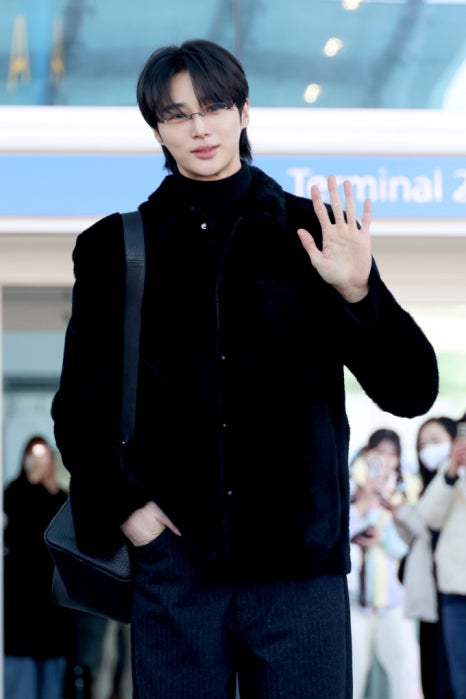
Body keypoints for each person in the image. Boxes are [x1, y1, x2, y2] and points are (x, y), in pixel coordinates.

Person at [51, 38, 439, 699]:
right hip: (176, 567)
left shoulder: (311, 231)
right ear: (157, 130)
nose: (199, 127)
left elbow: (412, 390)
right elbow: (80, 410)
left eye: (213, 107)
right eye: (177, 115)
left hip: (299, 573)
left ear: (244, 111)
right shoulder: (115, 246)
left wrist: (357, 292)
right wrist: (129, 511)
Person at [348, 429, 424, 699]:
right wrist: (364, 500)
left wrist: (383, 535)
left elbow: (407, 545)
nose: (385, 459)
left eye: (392, 454)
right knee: (351, 677)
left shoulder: (405, 493)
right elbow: (338, 535)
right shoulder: (349, 487)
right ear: (367, 454)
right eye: (379, 452)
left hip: (393, 601)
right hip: (354, 602)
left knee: (406, 676)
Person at [397, 414, 466, 699]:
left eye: (435, 440)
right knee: (455, 682)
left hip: (449, 591)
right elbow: (428, 518)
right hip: (450, 593)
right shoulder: (447, 474)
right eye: (422, 444)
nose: (428, 449)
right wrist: (452, 471)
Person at [3, 435, 75, 699]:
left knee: (52, 671)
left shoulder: (60, 497)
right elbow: (15, 526)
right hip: (21, 593)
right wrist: (32, 482)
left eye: (44, 455)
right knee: (20, 672)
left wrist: (49, 487)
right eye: (34, 455)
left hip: (52, 594)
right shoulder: (15, 491)